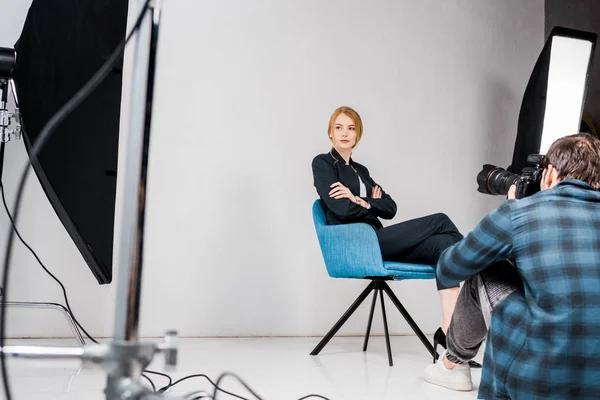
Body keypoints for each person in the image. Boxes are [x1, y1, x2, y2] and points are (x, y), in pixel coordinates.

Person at [423, 132, 600, 399]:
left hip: (536, 379)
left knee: (484, 264)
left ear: (550, 174)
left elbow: (449, 268)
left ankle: (453, 364)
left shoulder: (520, 213)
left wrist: (510, 217)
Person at [312, 106, 464, 337]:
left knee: (444, 245)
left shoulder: (361, 170)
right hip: (358, 243)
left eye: (351, 128)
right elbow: (340, 209)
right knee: (441, 220)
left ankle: (451, 335)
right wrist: (370, 205)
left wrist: (359, 201)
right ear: (330, 133)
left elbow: (390, 208)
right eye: (339, 127)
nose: (345, 133)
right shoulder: (323, 163)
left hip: (378, 241)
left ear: (358, 135)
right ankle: (477, 265)